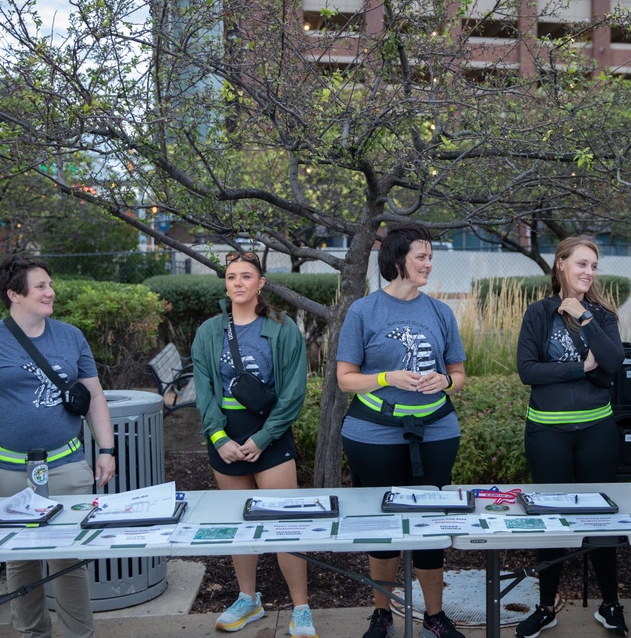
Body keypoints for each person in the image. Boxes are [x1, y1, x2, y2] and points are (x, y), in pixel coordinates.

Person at [0, 254, 116, 638]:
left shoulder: (71, 336)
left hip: (66, 466)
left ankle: (79, 634)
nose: (50, 292)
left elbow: (95, 397)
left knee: (69, 559)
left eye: (50, 284)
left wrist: (106, 449)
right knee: (20, 559)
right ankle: (32, 634)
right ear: (13, 294)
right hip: (5, 472)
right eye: (40, 286)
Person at [336, 222, 467, 638]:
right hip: (373, 434)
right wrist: (387, 378)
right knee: (383, 526)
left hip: (437, 431)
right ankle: (381, 614)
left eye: (430, 257)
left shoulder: (440, 312)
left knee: (431, 524)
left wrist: (444, 382)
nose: (429, 263)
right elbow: (345, 379)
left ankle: (434, 615)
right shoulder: (363, 311)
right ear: (397, 261)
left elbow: (459, 373)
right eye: (421, 257)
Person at [191, 250, 315, 636]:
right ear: (225, 284)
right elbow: (204, 389)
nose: (239, 283)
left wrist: (263, 438)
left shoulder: (283, 329)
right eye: (231, 277)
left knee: (284, 524)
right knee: (238, 525)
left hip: (270, 434)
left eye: (247, 276)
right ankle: (249, 599)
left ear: (261, 283)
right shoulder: (209, 331)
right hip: (224, 436)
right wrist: (218, 436)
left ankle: (301, 607)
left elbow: (294, 392)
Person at [515, 236, 627, 638]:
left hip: (596, 429)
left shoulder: (601, 315)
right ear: (561, 264)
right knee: (550, 520)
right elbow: (528, 370)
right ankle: (546, 607)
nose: (589, 272)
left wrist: (584, 318)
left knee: (602, 519)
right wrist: (582, 368)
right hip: (548, 432)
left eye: (594, 266)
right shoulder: (539, 314)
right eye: (581, 264)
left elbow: (613, 362)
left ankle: (610, 603)